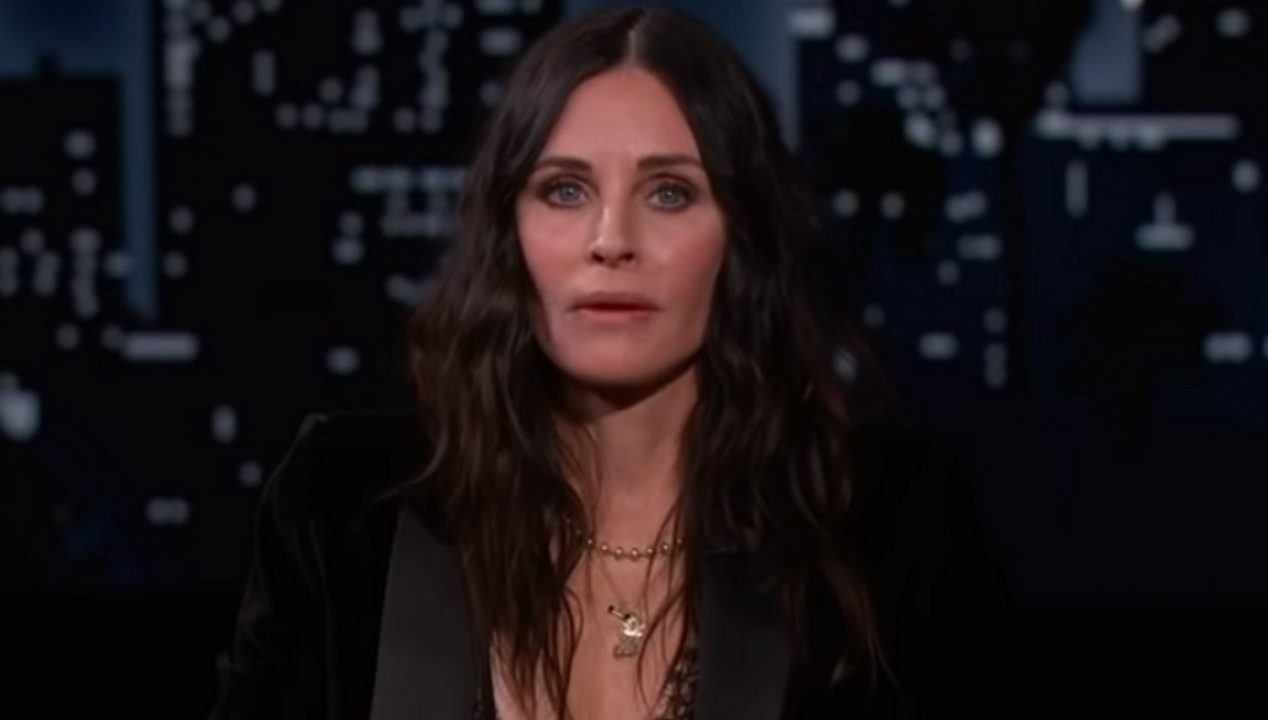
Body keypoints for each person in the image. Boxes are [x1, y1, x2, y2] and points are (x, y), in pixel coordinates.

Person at [208, 6, 1010, 720]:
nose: (611, 240)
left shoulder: (890, 530)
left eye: (669, 193)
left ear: (740, 237)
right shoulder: (343, 506)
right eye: (564, 191)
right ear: (509, 233)